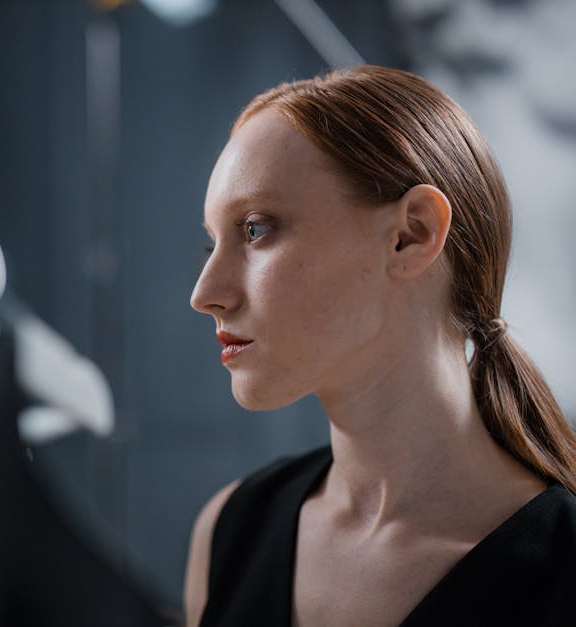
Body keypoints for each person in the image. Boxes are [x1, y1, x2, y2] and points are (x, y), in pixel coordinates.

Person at [184, 65, 576, 627]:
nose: (205, 295)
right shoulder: (229, 532)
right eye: (210, 245)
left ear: (411, 234)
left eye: (255, 230)